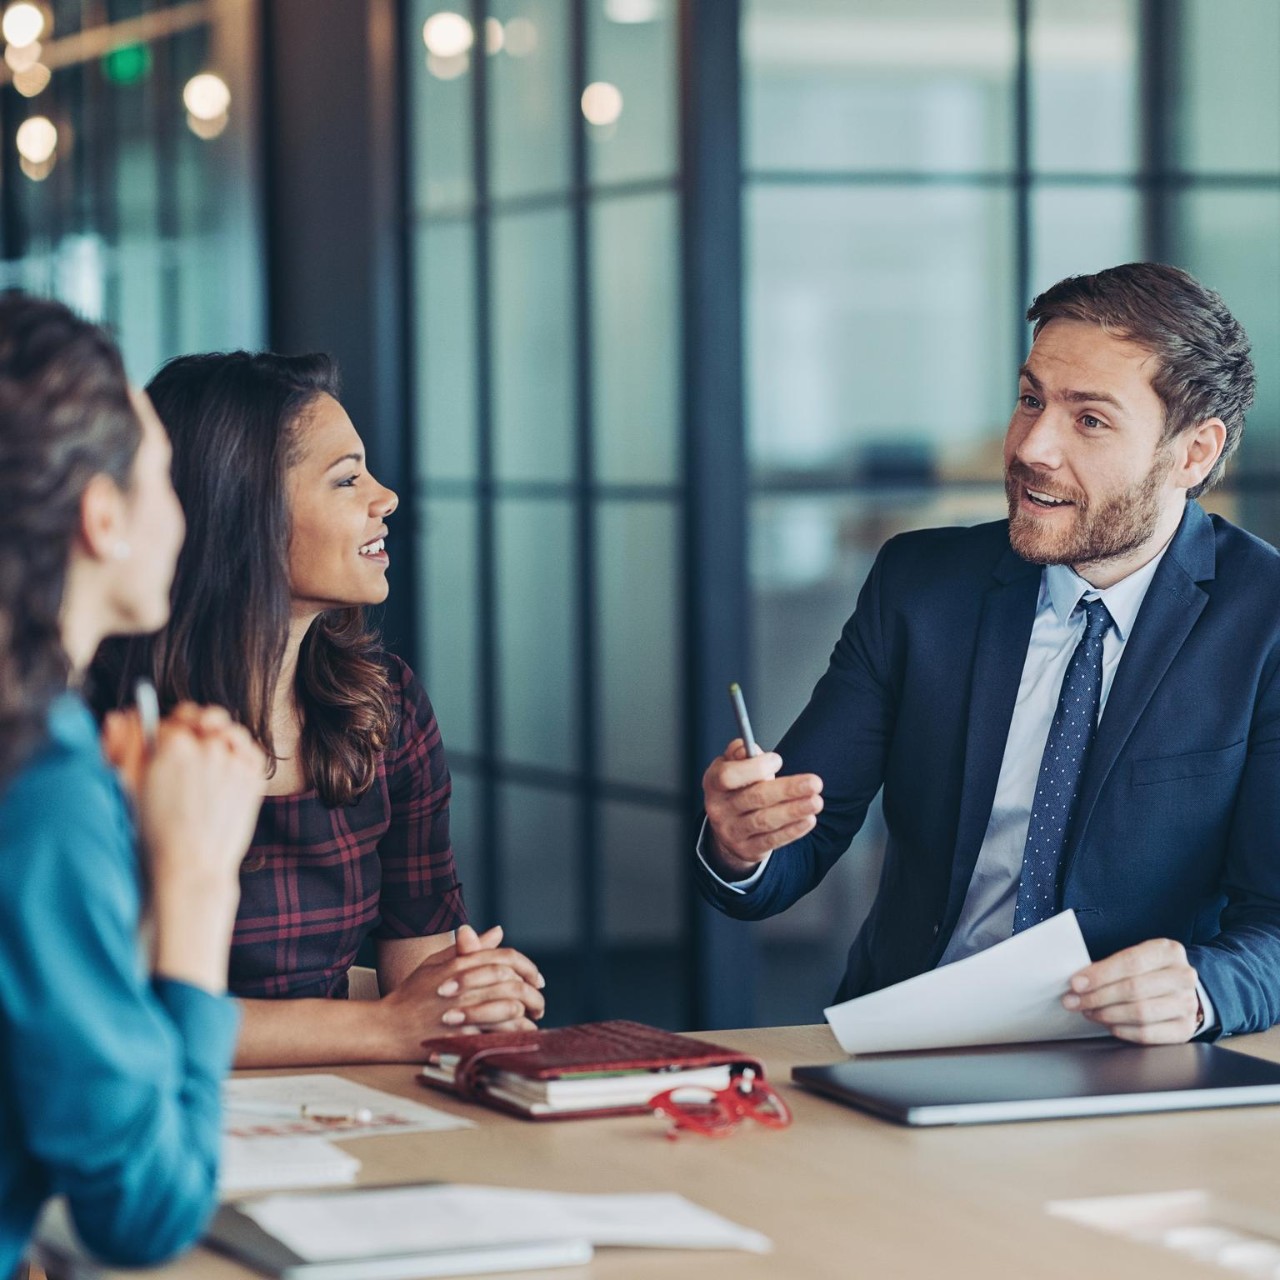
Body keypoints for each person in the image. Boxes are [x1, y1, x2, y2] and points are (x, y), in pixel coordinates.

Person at [698, 261, 1278, 1044]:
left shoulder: (1265, 621)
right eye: (1031, 398)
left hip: (1133, 1062)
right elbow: (794, 844)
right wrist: (742, 843)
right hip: (908, 1041)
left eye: (1090, 420)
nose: (1033, 446)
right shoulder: (920, 585)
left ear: (1193, 454)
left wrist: (1201, 991)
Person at [94, 352, 544, 1068]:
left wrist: (468, 993)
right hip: (157, 1115)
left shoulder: (384, 703)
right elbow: (105, 1013)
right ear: (243, 510)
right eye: (347, 479)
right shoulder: (104, 724)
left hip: (345, 1115)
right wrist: (387, 1028)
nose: (386, 496)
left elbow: (419, 970)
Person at [0, 293, 265, 1271]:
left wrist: (139, 885)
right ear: (101, 517)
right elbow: (143, 1210)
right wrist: (199, 874)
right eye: (162, 476)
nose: (184, 511)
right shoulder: (38, 771)